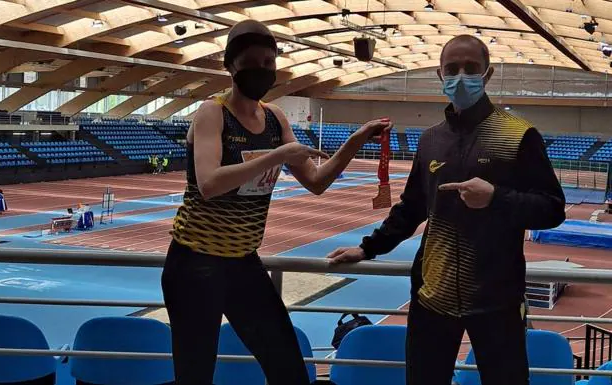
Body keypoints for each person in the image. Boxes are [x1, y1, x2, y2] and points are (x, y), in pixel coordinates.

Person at [162, 19, 393, 385]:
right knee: (195, 374)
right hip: (195, 264)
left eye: (270, 63)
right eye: (253, 62)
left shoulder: (274, 117)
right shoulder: (212, 112)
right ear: (231, 66)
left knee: (288, 367)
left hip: (242, 263)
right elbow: (208, 183)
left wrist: (357, 138)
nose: (263, 70)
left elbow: (316, 181)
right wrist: (277, 154)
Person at [326, 34, 566, 385]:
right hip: (432, 294)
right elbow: (412, 207)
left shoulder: (518, 135)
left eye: (471, 68)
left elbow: (552, 209)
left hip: (496, 297)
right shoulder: (430, 139)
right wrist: (368, 247)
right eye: (451, 69)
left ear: (488, 73)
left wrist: (496, 197)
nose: (460, 76)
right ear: (440, 75)